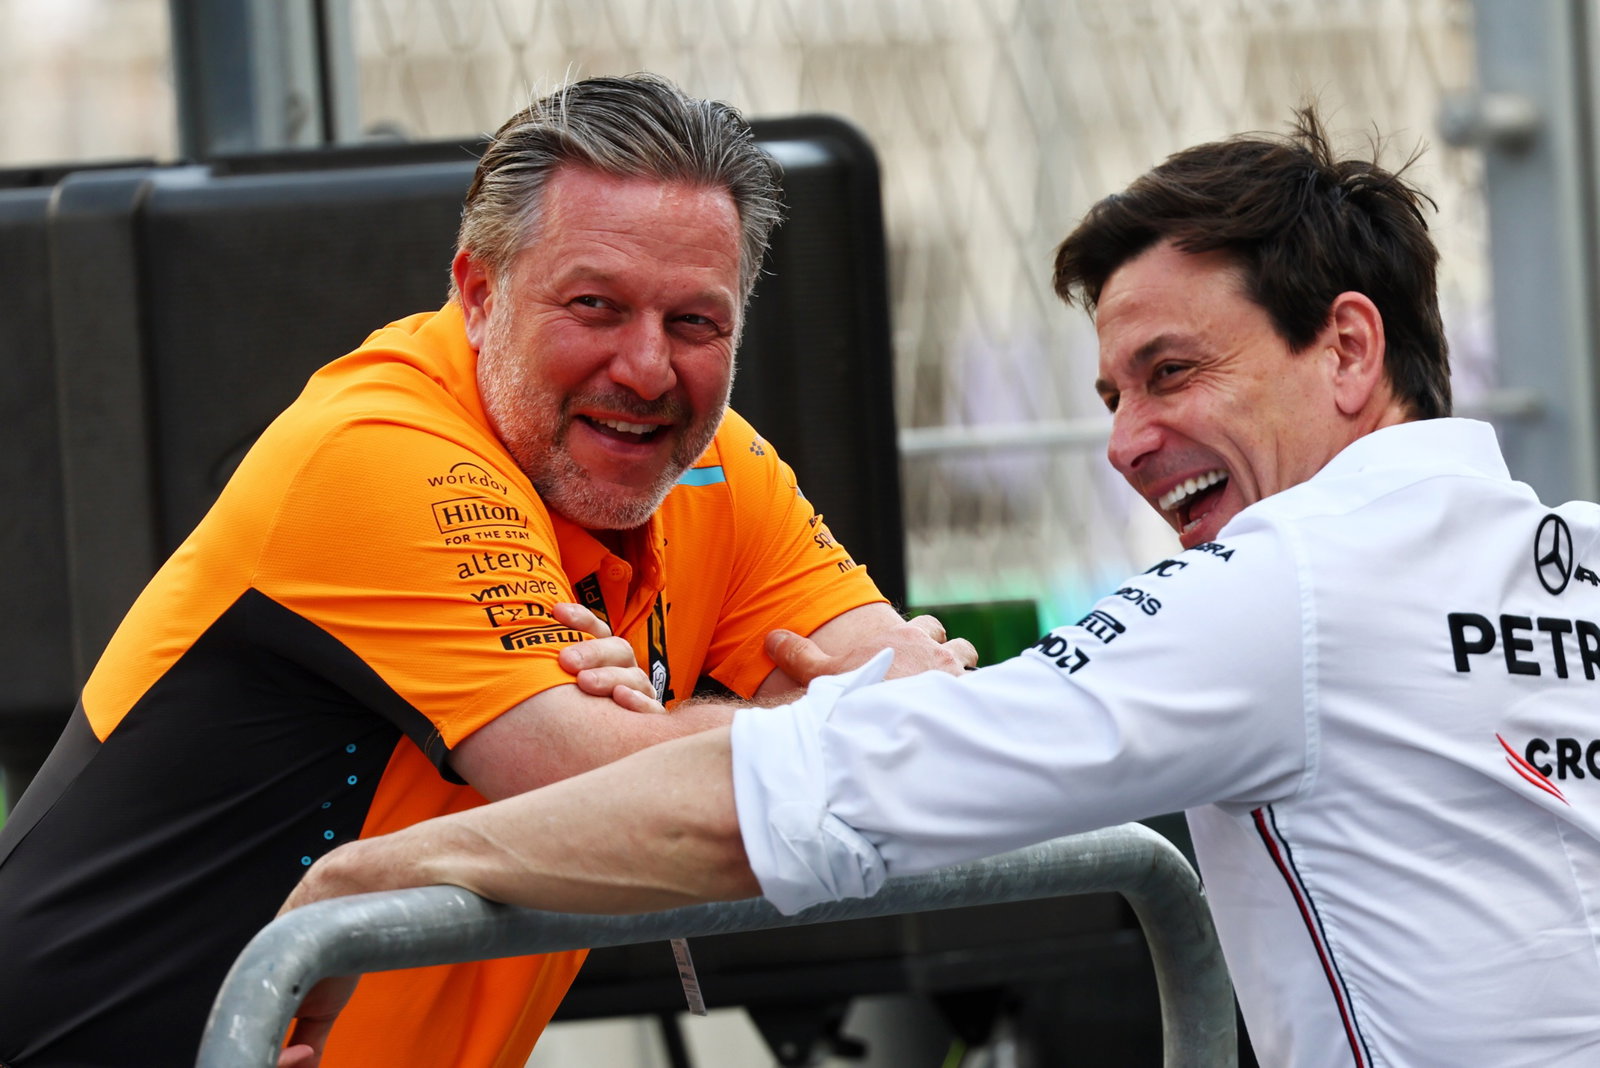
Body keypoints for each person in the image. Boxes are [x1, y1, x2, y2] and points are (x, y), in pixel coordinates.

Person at [284, 106, 1600, 1067]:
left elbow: (799, 799)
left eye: (1172, 372)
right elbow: (905, 718)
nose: (1127, 441)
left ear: (1350, 348)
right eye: (1112, 395)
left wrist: (377, 877)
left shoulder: (1288, 591)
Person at [0, 73, 972, 1068]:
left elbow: (936, 738)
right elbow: (630, 798)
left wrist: (773, 727)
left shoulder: (720, 462)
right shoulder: (376, 450)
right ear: (476, 294)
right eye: (594, 306)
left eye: (695, 323)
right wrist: (806, 725)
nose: (645, 369)